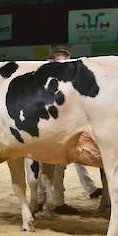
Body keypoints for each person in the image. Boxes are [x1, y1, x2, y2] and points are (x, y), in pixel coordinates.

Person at [38, 49, 102, 214]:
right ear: (51, 62)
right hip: (45, 131)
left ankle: (46, 200)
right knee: (46, 166)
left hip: (55, 130)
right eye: (63, 63)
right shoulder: (47, 82)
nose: (67, 67)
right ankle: (49, 201)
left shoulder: (59, 82)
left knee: (55, 166)